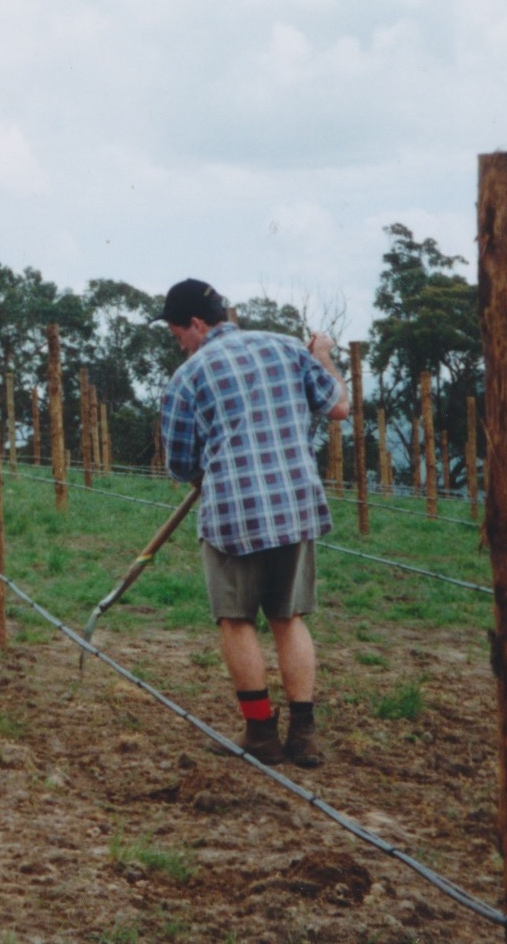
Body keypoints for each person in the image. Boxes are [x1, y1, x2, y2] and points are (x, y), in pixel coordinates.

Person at [157, 279, 347, 767]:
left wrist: (208, 466)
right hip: (295, 506)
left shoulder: (187, 377)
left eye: (178, 334)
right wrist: (324, 355)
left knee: (236, 619)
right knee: (288, 617)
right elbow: (338, 406)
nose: (180, 345)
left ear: (197, 324)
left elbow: (180, 463)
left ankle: (261, 734)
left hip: (231, 515)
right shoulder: (288, 348)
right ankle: (303, 735)